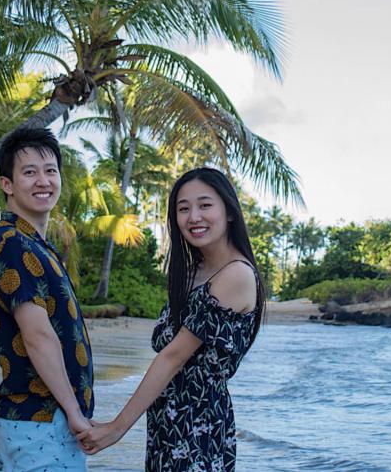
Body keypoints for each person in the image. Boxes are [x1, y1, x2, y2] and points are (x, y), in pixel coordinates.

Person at [77, 167, 264, 471]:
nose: (193, 217)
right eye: (183, 208)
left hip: (199, 428)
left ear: (229, 212)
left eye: (205, 205)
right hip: (169, 424)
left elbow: (173, 357)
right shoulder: (192, 273)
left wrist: (116, 429)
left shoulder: (237, 275)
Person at [0, 127, 94, 471]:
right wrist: (74, 413)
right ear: (7, 185)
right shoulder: (13, 244)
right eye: (29, 172)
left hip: (40, 419)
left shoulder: (34, 245)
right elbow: (38, 336)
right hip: (40, 420)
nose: (43, 181)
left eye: (50, 171)